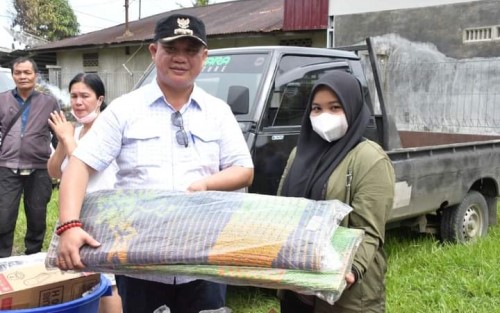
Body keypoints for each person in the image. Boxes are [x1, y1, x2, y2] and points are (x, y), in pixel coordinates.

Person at [55, 13, 254, 313]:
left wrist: (207, 184)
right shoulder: (125, 109)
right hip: (138, 262)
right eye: (171, 49)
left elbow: (244, 169)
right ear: (153, 51)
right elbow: (79, 166)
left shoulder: (218, 112)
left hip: (203, 259)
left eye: (190, 50)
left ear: (204, 57)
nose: (180, 58)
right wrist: (69, 226)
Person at [277, 71, 395, 313]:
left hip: (343, 294)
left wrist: (350, 270)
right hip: (296, 288)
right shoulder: (298, 155)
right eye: (317, 109)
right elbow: (282, 213)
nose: (324, 116)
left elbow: (369, 231)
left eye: (335, 107)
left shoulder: (369, 158)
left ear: (352, 109)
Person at [47, 73, 122, 313]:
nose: (78, 102)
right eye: (74, 96)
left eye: (85, 96)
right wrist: (63, 139)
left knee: (107, 280)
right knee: (81, 278)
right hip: (74, 215)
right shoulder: (75, 132)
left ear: (99, 99)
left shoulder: (107, 129)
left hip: (104, 215)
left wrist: (68, 139)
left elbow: (84, 168)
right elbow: (54, 171)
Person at [0, 57, 59, 258]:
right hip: (7, 167)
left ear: (36, 75)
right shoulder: (2, 100)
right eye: (18, 72)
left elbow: (58, 135)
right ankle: (2, 260)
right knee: (4, 216)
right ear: (13, 75)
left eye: (27, 72)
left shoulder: (48, 102)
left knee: (37, 216)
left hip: (39, 168)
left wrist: (62, 164)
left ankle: (33, 255)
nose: (23, 76)